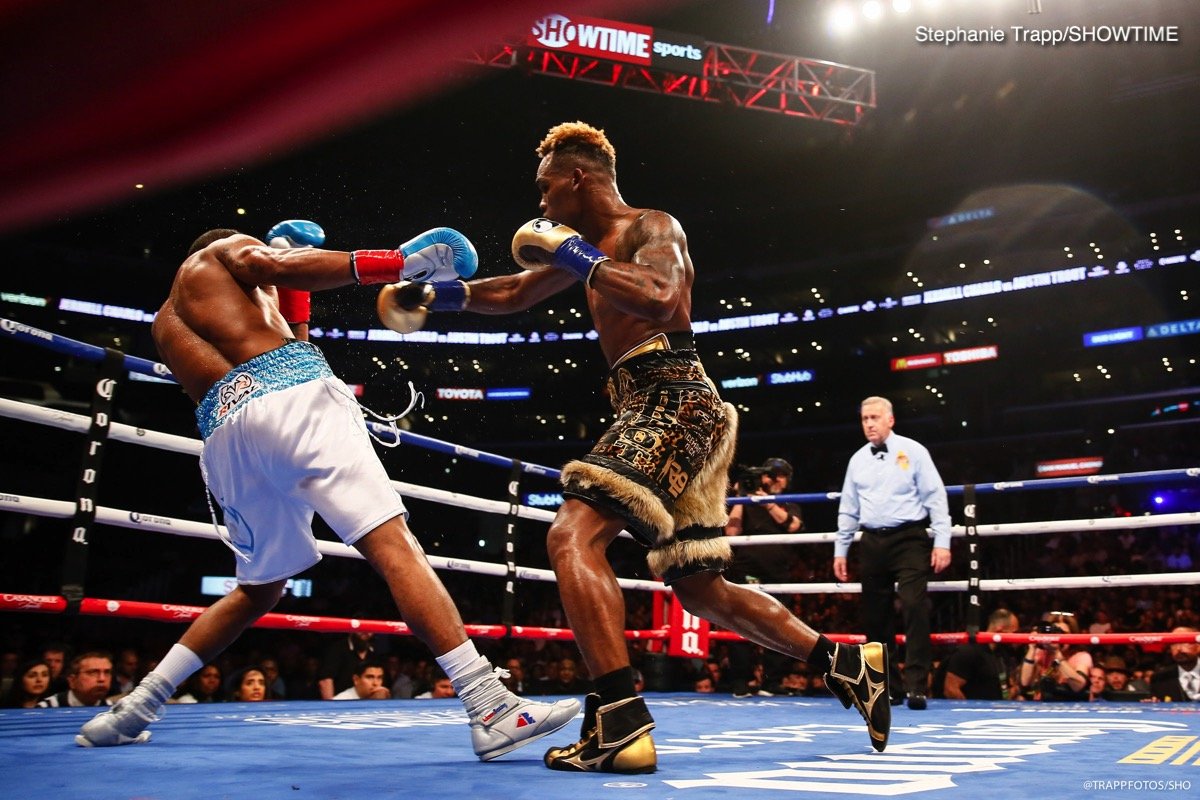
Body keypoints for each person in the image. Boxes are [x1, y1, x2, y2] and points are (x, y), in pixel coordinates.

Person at [380, 121, 891, 771]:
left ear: (578, 178)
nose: (540, 205)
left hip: (671, 395)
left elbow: (661, 296)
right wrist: (435, 296)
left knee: (570, 536)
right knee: (702, 588)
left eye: (545, 189)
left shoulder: (652, 227)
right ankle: (847, 663)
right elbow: (513, 291)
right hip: (667, 404)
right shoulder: (588, 249)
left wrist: (573, 255)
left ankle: (620, 723)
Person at [75, 220, 578, 760]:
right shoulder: (222, 253)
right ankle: (491, 706)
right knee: (393, 547)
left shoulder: (166, 323)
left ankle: (137, 707)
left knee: (258, 588)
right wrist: (398, 262)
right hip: (293, 402)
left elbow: (283, 332)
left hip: (226, 435)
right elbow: (271, 270)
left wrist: (295, 303)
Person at [833, 395, 952, 711]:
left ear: (890, 419)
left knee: (914, 606)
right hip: (872, 541)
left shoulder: (914, 452)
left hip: (910, 538)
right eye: (864, 419)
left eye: (874, 417)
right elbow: (848, 507)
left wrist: (942, 541)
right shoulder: (857, 460)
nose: (869, 424)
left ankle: (916, 686)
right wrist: (840, 549)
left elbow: (935, 497)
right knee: (875, 618)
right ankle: (889, 688)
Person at [724, 457, 804, 697]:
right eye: (771, 474)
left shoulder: (787, 502)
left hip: (778, 572)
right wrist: (742, 497)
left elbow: (793, 526)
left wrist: (765, 501)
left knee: (779, 624)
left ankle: (772, 681)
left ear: (787, 480)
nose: (775, 479)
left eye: (780, 475)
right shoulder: (745, 503)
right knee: (740, 624)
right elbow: (731, 531)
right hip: (746, 570)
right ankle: (740, 681)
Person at [942, 608, 1020, 700]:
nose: (1016, 636)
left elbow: (1001, 691)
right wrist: (970, 712)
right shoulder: (969, 651)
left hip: (994, 712)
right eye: (1014, 632)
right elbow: (950, 689)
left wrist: (1013, 692)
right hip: (974, 712)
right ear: (1000, 630)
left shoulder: (1000, 653)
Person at [1017, 611, 1091, 701]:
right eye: (1055, 633)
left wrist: (1056, 653)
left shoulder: (1081, 657)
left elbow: (1078, 686)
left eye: (1064, 634)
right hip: (1044, 707)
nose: (1059, 637)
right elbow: (1025, 682)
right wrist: (1032, 647)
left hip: (1072, 707)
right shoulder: (1041, 653)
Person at [37, 651, 115, 708]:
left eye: (107, 673)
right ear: (72, 681)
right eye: (93, 673)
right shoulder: (47, 708)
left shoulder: (113, 709)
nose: (102, 679)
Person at [1150, 627, 1199, 702]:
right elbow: (1157, 706)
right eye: (1174, 643)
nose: (1178, 648)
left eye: (1184, 642)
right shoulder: (1160, 678)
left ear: (1198, 646)